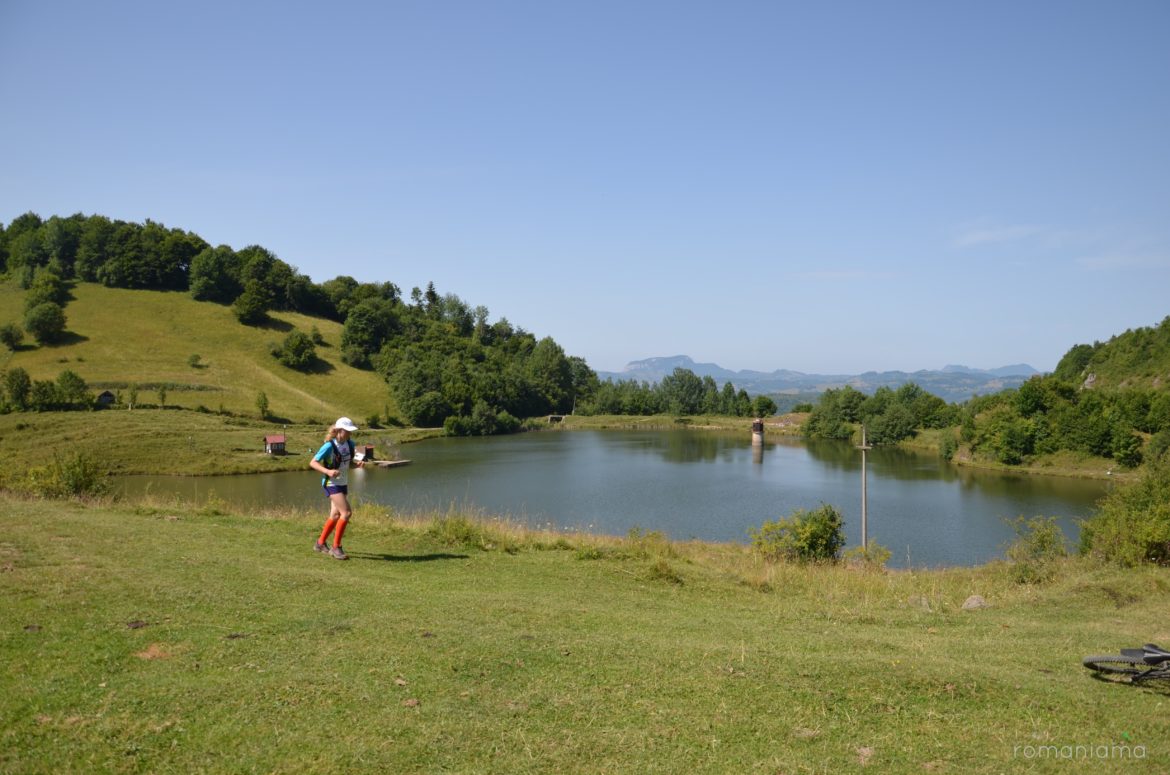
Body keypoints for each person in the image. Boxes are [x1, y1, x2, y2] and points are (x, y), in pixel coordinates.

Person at [310, 417, 364, 560]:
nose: (350, 433)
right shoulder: (328, 446)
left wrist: (357, 465)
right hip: (331, 483)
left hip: (343, 483)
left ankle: (320, 544)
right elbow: (313, 462)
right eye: (347, 431)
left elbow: (347, 464)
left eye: (350, 431)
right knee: (346, 513)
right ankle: (336, 547)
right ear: (339, 430)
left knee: (335, 515)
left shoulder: (350, 444)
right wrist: (327, 471)